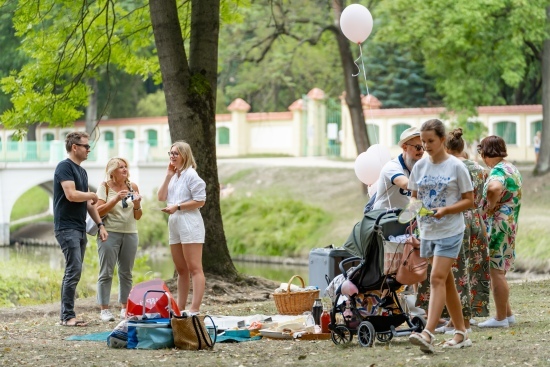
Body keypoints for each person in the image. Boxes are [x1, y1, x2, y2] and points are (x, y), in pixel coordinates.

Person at [407, 119, 474, 353]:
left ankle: (428, 332)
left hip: (450, 231)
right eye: (422, 142)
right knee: (446, 282)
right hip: (427, 232)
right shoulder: (419, 167)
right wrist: (411, 214)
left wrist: (445, 210)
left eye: (430, 141)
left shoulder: (456, 166)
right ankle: (461, 332)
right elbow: (414, 199)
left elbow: (469, 200)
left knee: (435, 278)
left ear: (443, 140)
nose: (425, 146)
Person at [418, 128, 490, 334]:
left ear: (445, 146)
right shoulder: (478, 167)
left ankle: (458, 324)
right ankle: (459, 323)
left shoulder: (452, 167)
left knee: (455, 273)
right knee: (469, 271)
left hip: (455, 221)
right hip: (475, 220)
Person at [53, 132, 108, 327]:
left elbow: (89, 204)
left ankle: (67, 315)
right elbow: (71, 195)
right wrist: (91, 194)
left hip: (79, 227)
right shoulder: (64, 167)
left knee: (74, 270)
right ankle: (67, 317)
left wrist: (100, 224)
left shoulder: (82, 172)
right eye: (85, 146)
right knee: (73, 269)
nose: (88, 150)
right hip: (66, 227)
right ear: (74, 147)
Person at [477, 136, 522, 328]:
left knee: (496, 272)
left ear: (486, 153)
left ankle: (500, 318)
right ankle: (508, 314)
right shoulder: (511, 168)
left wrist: (489, 207)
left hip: (497, 225)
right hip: (509, 224)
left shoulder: (497, 171)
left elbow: (494, 188)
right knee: (500, 269)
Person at [157, 141, 206, 315]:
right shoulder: (174, 176)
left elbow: (200, 200)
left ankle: (194, 308)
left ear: (184, 155)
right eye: (170, 153)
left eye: (175, 153)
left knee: (194, 267)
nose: (172, 156)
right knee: (181, 269)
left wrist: (177, 207)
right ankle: (180, 307)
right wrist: (168, 176)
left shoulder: (191, 175)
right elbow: (161, 196)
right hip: (175, 222)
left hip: (189, 222)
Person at [95, 157, 143, 322]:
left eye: (126, 167)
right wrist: (115, 199)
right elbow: (98, 211)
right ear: (112, 172)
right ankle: (104, 309)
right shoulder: (105, 187)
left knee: (126, 273)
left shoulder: (133, 187)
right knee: (106, 272)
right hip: (109, 233)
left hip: (130, 233)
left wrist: (137, 205)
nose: (125, 170)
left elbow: (137, 215)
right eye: (120, 167)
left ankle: (125, 308)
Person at [366, 126, 425, 212]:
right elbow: (406, 184)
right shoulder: (392, 167)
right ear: (405, 147)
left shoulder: (420, 168)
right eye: (418, 147)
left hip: (404, 219)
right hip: (383, 219)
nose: (422, 151)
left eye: (424, 147)